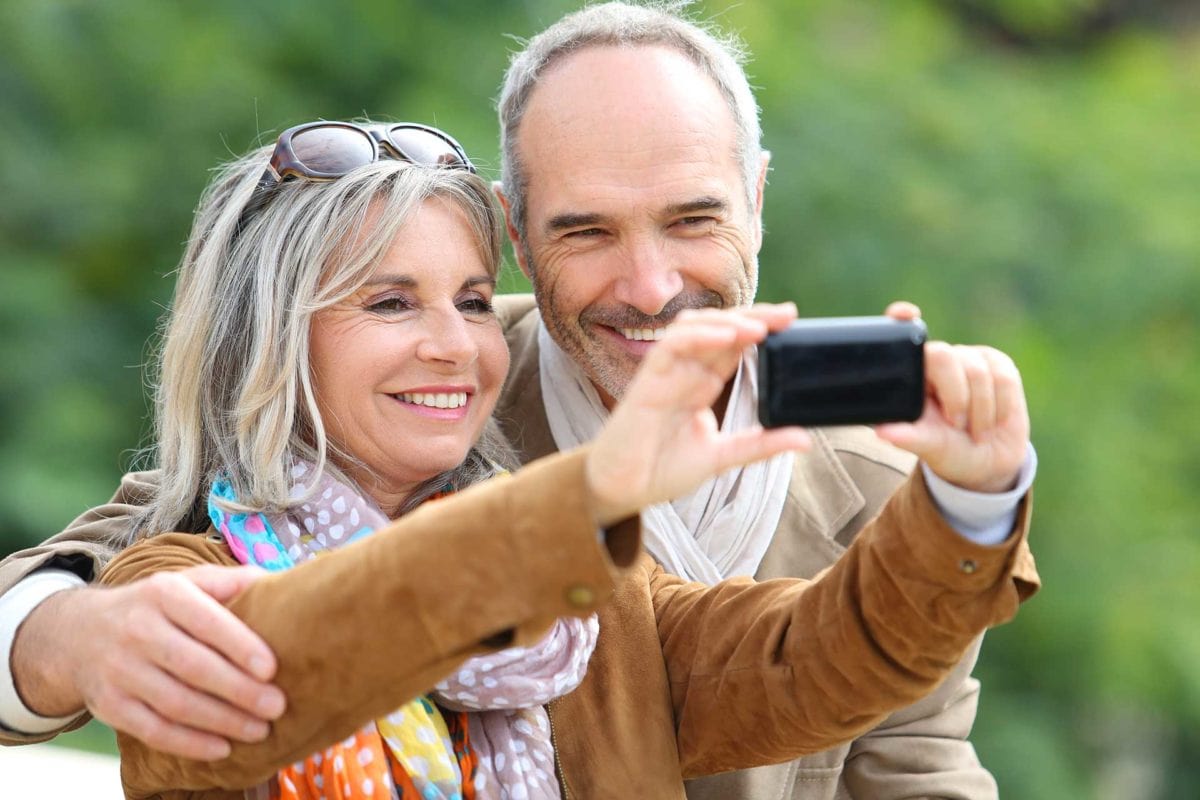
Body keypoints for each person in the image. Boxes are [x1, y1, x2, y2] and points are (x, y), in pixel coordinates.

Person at [0, 4, 1036, 797]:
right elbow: (301, 633)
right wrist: (65, 636)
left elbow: (824, 663)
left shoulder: (605, 597)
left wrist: (970, 502)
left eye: (463, 297)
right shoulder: (201, 566)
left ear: (756, 198)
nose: (454, 341)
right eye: (390, 301)